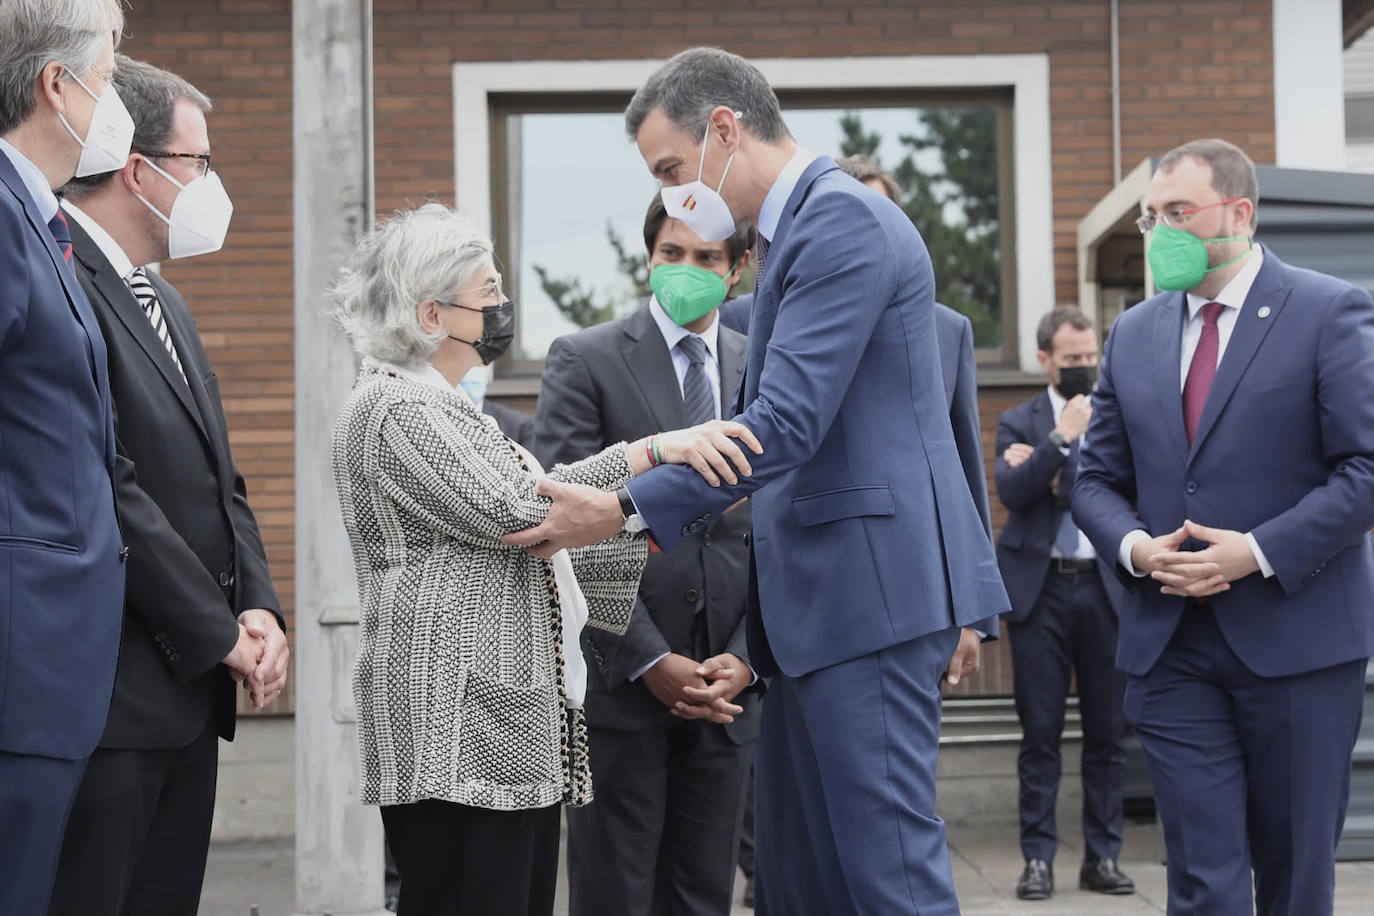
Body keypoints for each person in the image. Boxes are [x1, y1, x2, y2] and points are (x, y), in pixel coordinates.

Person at [504, 47, 1010, 916]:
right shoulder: (798, 233)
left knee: (885, 879)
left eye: (671, 167)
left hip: (869, 603)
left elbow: (784, 425)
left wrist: (624, 508)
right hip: (823, 613)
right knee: (802, 882)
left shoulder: (839, 222)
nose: (670, 193)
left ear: (725, 132)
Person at [328, 203, 760, 916]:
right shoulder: (393, 408)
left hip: (495, 719)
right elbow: (530, 516)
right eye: (488, 291)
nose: (502, 306)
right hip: (453, 724)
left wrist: (657, 450)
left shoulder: (444, 407)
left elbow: (543, 492)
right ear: (431, 314)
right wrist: (652, 467)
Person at [1073, 138, 1374, 916]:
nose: (1162, 230)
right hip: (1171, 649)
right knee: (1202, 883)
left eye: (1180, 212)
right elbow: (1096, 479)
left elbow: (1366, 470)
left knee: (1294, 875)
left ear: (1238, 213)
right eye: (1152, 217)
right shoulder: (1134, 333)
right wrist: (1137, 549)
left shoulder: (1326, 310)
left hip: (1298, 644)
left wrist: (1258, 553)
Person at [43, 56, 288, 915]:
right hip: (112, 699)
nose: (212, 185)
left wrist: (260, 606)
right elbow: (110, 485)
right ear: (141, 169)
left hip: (192, 695)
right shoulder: (61, 281)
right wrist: (216, 628)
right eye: (201, 163)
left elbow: (223, 481)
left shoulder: (164, 299)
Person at [535, 194, 761, 916]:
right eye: (672, 253)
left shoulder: (767, 364)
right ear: (648, 259)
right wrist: (649, 658)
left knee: (703, 895)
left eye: (706, 258)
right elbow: (566, 522)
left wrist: (749, 656)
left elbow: (783, 526)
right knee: (614, 894)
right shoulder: (586, 358)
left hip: (728, 685)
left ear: (737, 271)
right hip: (622, 680)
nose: (685, 269)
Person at [0, 2, 130, 911]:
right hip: (19, 661)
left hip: (49, 669)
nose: (114, 98)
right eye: (112, 76)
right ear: (57, 85)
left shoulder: (36, 220)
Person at [994, 305, 1132, 902]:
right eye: (1071, 359)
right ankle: (1038, 860)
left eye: (1089, 358)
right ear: (1045, 358)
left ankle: (1103, 856)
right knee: (1040, 733)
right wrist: (1058, 440)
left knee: (1107, 733)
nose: (1083, 368)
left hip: (1104, 589)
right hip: (1041, 590)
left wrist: (1054, 469)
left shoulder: (1116, 417)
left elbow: (1111, 492)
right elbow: (1014, 492)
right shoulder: (1019, 421)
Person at [460, 363, 537, 447]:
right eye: (464, 383)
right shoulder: (446, 417)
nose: (470, 387)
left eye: (475, 383)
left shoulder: (520, 425)